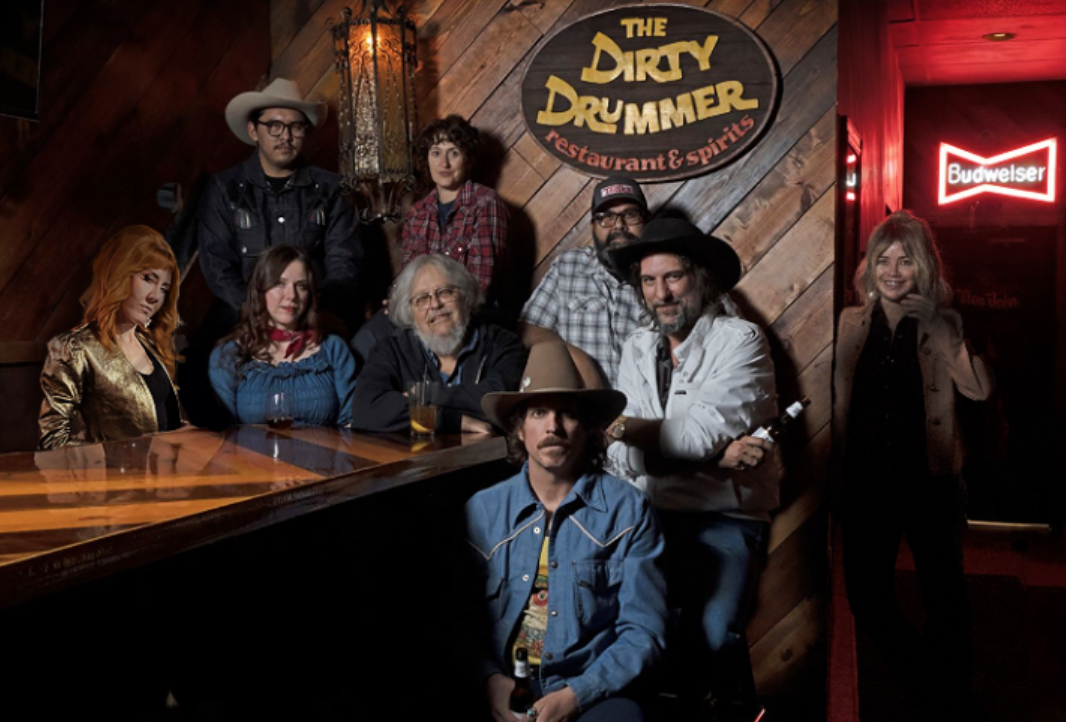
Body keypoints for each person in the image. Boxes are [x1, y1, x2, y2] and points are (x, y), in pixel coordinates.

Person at [606, 218, 777, 721]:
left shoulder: (740, 340)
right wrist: (712, 455)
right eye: (649, 281)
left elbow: (693, 436)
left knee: (713, 629)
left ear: (698, 279)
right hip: (649, 515)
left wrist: (627, 429)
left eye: (673, 277)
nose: (661, 293)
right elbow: (615, 454)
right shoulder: (638, 346)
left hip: (727, 516)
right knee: (633, 626)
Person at [832, 210, 992, 718]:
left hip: (930, 484)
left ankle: (954, 701)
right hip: (865, 484)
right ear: (870, 267)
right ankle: (934, 688)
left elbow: (979, 390)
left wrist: (939, 332)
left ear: (923, 266)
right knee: (867, 597)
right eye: (883, 259)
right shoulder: (850, 321)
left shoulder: (948, 321)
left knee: (945, 601)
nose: (894, 271)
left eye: (905, 260)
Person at [468, 341, 669, 722]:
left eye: (568, 414)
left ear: (588, 429)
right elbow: (458, 622)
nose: (553, 427)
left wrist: (577, 695)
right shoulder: (483, 510)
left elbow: (643, 632)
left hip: (589, 688)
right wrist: (491, 681)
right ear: (520, 428)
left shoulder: (628, 510)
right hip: (503, 686)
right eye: (539, 412)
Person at [198, 78, 362, 334]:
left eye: (295, 126)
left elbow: (344, 263)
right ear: (253, 130)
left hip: (315, 323)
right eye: (274, 126)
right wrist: (260, 318)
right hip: (244, 325)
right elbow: (218, 268)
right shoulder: (223, 189)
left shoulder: (333, 189)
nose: (285, 136)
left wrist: (305, 316)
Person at [39, 226, 185, 449]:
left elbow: (165, 423)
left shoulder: (152, 344)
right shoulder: (75, 347)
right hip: (116, 480)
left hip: (169, 477)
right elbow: (52, 442)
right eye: (148, 278)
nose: (155, 296)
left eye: (164, 288)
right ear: (119, 274)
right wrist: (108, 463)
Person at [350, 255, 525, 434]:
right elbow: (366, 410)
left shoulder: (503, 344)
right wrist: (451, 420)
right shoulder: (390, 350)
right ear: (410, 312)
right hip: (417, 460)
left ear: (466, 296)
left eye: (445, 292)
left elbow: (497, 401)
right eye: (422, 299)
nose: (435, 304)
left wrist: (420, 397)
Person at [517, 176, 649, 387]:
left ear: (646, 221)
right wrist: (581, 361)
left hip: (641, 411)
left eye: (630, 215)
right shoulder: (569, 267)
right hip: (581, 407)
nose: (619, 226)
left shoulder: (662, 275)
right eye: (606, 217)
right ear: (593, 226)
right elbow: (527, 330)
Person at [209, 245, 356, 427]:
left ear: (310, 294)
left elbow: (350, 424)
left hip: (322, 454)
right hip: (251, 455)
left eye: (301, 286)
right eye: (279, 284)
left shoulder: (332, 348)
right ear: (260, 290)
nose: (291, 295)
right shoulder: (229, 355)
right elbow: (224, 436)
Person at [402, 114, 509, 305]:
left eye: (453, 153)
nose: (444, 163)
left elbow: (481, 282)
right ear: (426, 159)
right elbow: (409, 278)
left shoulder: (485, 203)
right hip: (424, 313)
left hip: (470, 313)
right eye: (436, 153)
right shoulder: (417, 213)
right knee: (374, 331)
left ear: (467, 160)